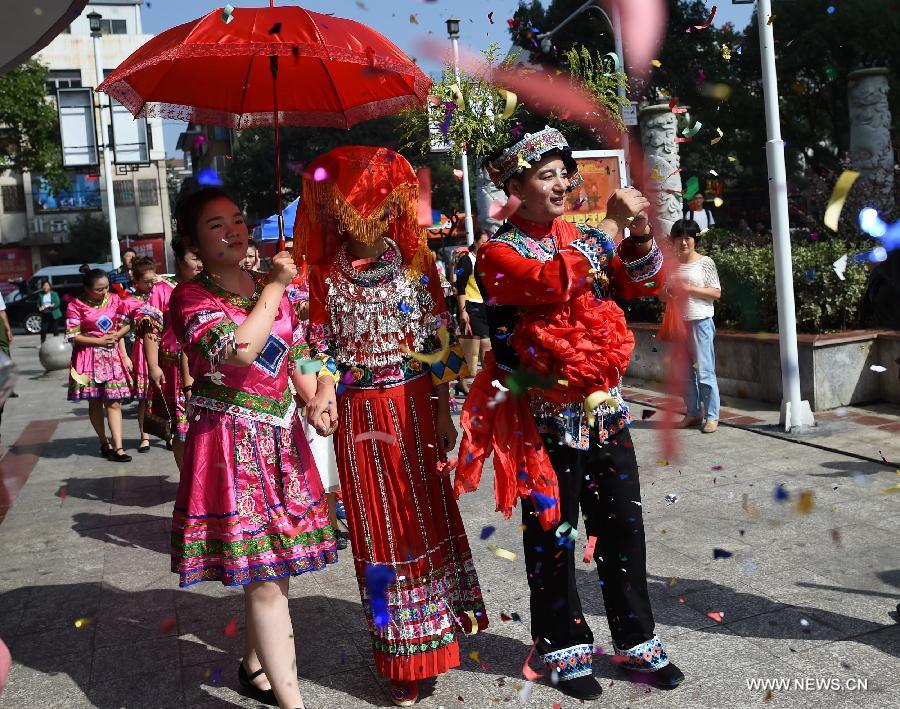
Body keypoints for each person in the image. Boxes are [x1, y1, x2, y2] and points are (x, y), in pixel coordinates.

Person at [456, 127, 684, 701]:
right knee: (554, 535)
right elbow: (559, 281)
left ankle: (637, 640)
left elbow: (642, 284)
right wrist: (609, 225)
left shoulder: (581, 234)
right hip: (544, 419)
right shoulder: (497, 251)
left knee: (624, 528)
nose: (562, 183)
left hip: (605, 410)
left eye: (564, 171)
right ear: (515, 187)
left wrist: (634, 235)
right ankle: (562, 646)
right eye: (546, 174)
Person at [298, 146, 487, 707]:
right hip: (361, 416)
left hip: (413, 406)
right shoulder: (321, 275)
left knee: (422, 518)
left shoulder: (418, 265)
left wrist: (443, 410)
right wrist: (323, 391)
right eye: (357, 207)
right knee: (378, 526)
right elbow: (316, 349)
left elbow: (439, 345)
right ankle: (400, 655)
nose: (369, 217)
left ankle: (436, 636)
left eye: (381, 205)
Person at [169, 187, 337, 709]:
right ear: (193, 240)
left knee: (272, 567)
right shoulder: (190, 298)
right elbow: (240, 351)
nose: (233, 230)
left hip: (283, 440)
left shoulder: (273, 287)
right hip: (230, 446)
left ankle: (252, 665)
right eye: (216, 224)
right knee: (267, 578)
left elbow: (303, 355)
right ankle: (294, 703)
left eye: (238, 220)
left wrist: (320, 396)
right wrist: (279, 287)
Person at [139, 241, 203, 471]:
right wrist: (153, 366)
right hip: (173, 367)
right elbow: (151, 329)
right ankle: (186, 480)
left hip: (205, 365)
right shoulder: (162, 289)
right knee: (182, 430)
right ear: (179, 259)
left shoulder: (207, 285)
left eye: (201, 257)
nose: (200, 263)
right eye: (194, 258)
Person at [66, 268, 134, 463]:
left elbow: (129, 321)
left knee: (113, 402)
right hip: (87, 358)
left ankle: (119, 447)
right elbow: (73, 335)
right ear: (87, 288)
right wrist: (99, 341)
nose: (104, 292)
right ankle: (104, 442)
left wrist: (117, 336)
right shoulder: (75, 305)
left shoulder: (115, 299)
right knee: (95, 401)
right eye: (99, 289)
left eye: (106, 288)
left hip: (111, 357)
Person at [667, 219, 722, 433]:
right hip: (678, 324)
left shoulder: (705, 262)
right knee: (684, 373)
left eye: (688, 237)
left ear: (695, 239)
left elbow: (716, 293)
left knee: (705, 372)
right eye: (679, 237)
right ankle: (692, 412)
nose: (683, 242)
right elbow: (665, 295)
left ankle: (711, 416)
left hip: (700, 321)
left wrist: (688, 289)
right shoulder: (672, 265)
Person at [120, 256, 160, 452]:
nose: (151, 284)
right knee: (144, 397)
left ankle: (167, 433)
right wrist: (124, 356)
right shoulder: (128, 301)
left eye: (154, 280)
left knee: (164, 395)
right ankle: (144, 436)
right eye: (147, 281)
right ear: (135, 282)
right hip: (142, 351)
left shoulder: (161, 294)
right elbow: (120, 330)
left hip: (163, 348)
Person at [455, 230, 492, 394]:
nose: (485, 244)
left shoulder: (486, 260)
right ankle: (487, 383)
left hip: (485, 307)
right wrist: (462, 310)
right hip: (471, 307)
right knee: (483, 346)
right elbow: (460, 286)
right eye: (483, 241)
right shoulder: (466, 259)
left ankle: (465, 382)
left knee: (472, 350)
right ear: (475, 242)